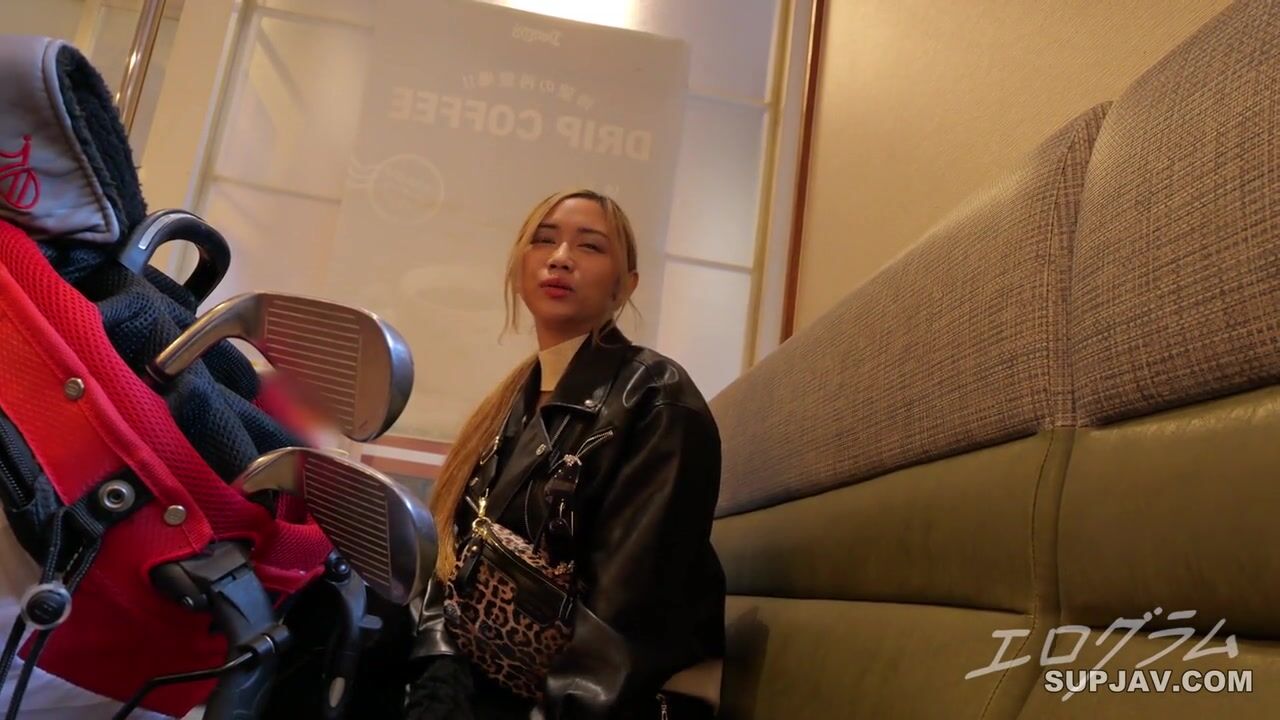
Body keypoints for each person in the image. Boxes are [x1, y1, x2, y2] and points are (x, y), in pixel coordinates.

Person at [404, 189, 726, 719]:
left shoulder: (657, 398)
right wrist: (438, 672)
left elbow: (628, 623)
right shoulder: (506, 406)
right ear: (519, 268)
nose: (560, 258)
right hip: (483, 676)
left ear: (626, 286)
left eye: (590, 246)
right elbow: (453, 559)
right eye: (544, 240)